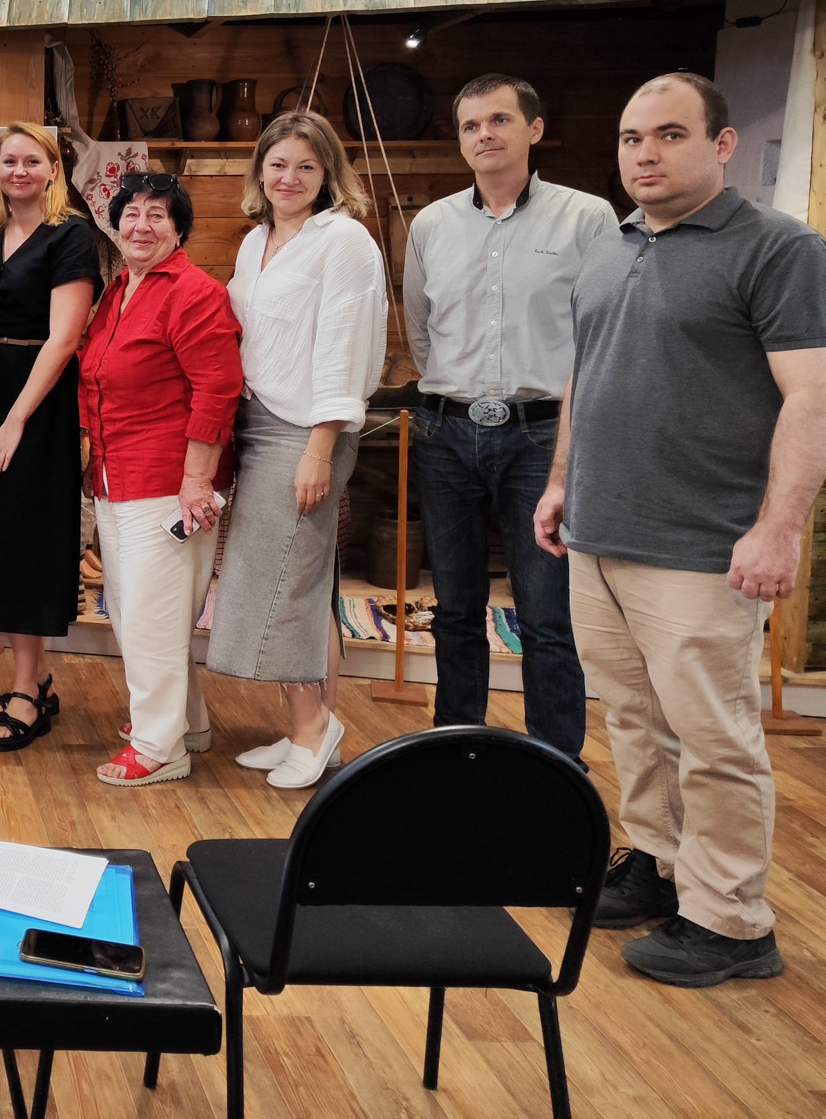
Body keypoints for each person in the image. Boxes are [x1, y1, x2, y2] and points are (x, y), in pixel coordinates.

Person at [536, 72, 826, 988]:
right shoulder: (612, 244)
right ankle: (661, 865)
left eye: (670, 135)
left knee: (714, 739)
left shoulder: (781, 251)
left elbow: (815, 396)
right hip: (600, 533)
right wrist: (560, 482)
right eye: (632, 138)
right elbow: (587, 376)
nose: (646, 154)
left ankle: (733, 921)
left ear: (721, 144)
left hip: (704, 544)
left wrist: (779, 529)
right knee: (634, 720)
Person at [404, 74, 618, 761]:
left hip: (544, 436)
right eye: (471, 125)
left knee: (547, 614)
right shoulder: (432, 224)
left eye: (499, 120)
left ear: (534, 129)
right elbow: (420, 329)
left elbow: (604, 332)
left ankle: (555, 767)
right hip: (446, 433)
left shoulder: (587, 219)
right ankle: (455, 748)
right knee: (455, 608)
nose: (484, 135)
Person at [212, 110, 387, 790]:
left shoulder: (343, 240)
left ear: (328, 175)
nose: (289, 178)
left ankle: (314, 731)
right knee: (299, 585)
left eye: (306, 167)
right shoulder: (256, 241)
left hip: (306, 431)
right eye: (278, 164)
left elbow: (345, 346)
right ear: (260, 170)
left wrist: (320, 449)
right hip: (258, 423)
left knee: (282, 583)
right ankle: (308, 729)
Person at [79, 173, 243, 785]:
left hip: (169, 481)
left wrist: (197, 482)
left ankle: (159, 748)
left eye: (158, 215)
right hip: (115, 473)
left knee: (151, 615)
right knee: (135, 610)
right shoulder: (120, 288)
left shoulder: (195, 293)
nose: (141, 226)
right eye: (132, 213)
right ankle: (186, 724)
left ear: (179, 230)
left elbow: (217, 389)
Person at [0, 124, 100, 750]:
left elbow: (64, 339)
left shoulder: (71, 236)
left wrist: (16, 419)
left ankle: (29, 689)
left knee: (25, 540)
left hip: (36, 399)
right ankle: (32, 678)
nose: (19, 170)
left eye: (32, 160)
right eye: (9, 161)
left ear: (53, 168)